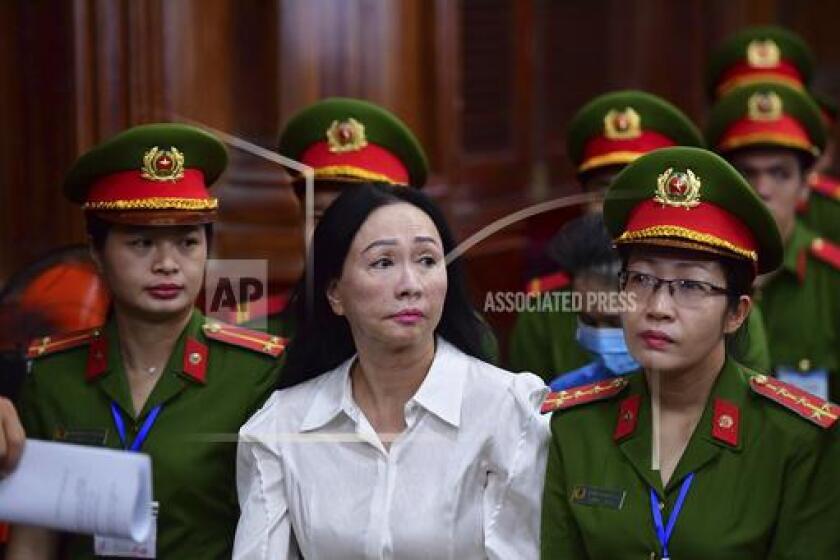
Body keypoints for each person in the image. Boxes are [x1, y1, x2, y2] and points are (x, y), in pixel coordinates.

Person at [541, 146, 840, 558]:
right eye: (641, 279)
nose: (658, 308)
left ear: (736, 313)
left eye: (690, 286)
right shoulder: (575, 427)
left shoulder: (797, 439)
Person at [7, 123, 285, 559]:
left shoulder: (255, 373)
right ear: (97, 252)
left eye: (187, 243)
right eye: (142, 242)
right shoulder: (52, 375)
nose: (167, 264)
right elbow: (34, 536)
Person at [233, 182, 548, 559]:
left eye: (427, 261)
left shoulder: (507, 410)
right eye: (383, 263)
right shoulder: (281, 426)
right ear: (335, 292)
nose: (410, 285)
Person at [509, 90, 769, 380]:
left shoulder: (722, 307)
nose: (618, 213)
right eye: (605, 191)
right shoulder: (547, 306)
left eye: (640, 198)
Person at [239, 97, 429, 333]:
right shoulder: (249, 332)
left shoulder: (451, 343)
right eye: (320, 219)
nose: (336, 237)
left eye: (361, 221)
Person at [706, 81, 840, 401]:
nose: (762, 189)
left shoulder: (833, 280)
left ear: (806, 186)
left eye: (780, 173)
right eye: (747, 173)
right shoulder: (694, 277)